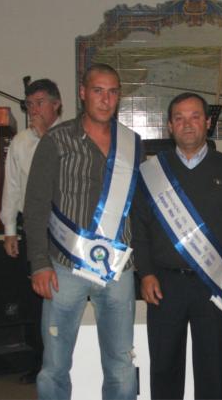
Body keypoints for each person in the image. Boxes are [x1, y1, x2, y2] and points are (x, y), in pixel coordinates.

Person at [23, 64, 140, 400]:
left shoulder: (132, 144)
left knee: (121, 364)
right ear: (83, 93)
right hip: (63, 267)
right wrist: (39, 263)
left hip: (118, 270)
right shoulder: (56, 141)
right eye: (98, 91)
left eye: (113, 92)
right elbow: (36, 205)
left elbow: (136, 206)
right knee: (55, 365)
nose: (106, 99)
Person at [132, 92, 222, 400]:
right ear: (169, 126)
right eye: (179, 118)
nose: (187, 124)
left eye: (195, 117)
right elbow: (139, 229)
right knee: (164, 368)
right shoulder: (151, 173)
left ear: (208, 122)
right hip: (164, 284)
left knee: (212, 370)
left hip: (214, 283)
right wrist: (145, 273)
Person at [0, 78, 63, 384]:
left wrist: (46, 138)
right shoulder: (20, 142)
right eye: (29, 105)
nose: (34, 110)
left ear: (56, 105)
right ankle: (40, 362)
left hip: (65, 229)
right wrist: (9, 228)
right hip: (34, 229)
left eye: (40, 103)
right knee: (36, 298)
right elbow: (12, 186)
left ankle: (67, 360)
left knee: (65, 293)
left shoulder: (70, 138)